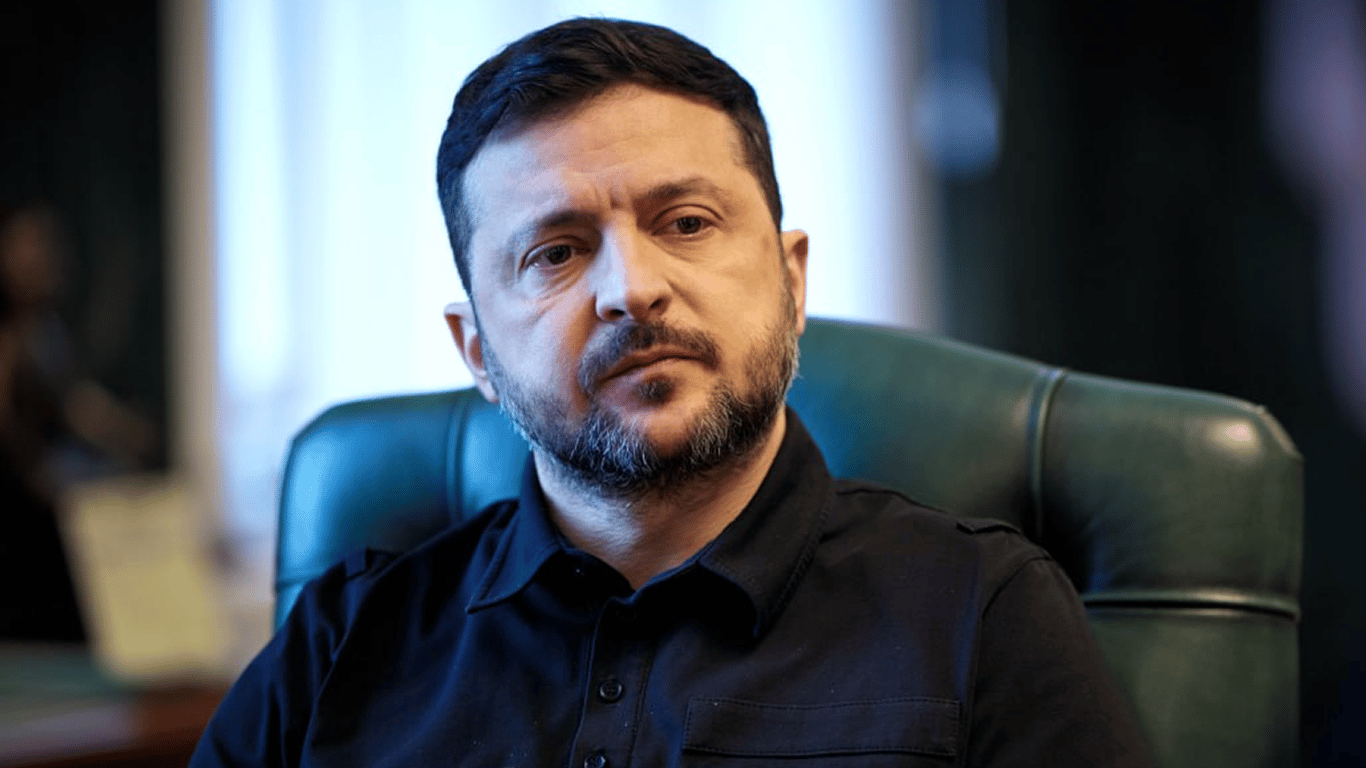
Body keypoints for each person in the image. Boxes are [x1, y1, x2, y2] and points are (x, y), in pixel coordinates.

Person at [192, 18, 1153, 767]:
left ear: (792, 281)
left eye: (686, 223)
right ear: (476, 350)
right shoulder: (340, 645)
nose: (633, 289)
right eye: (556, 253)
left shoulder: (985, 615)